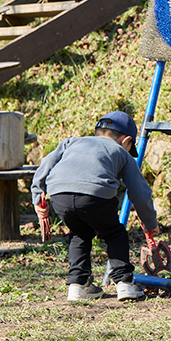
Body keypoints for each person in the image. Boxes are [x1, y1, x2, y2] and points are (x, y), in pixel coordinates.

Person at [31, 111, 160, 302]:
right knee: (114, 233)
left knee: (79, 233)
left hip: (59, 194)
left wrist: (37, 197)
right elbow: (140, 193)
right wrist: (150, 224)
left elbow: (44, 166)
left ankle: (78, 285)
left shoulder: (71, 142)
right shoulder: (121, 153)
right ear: (126, 141)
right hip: (95, 194)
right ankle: (124, 282)